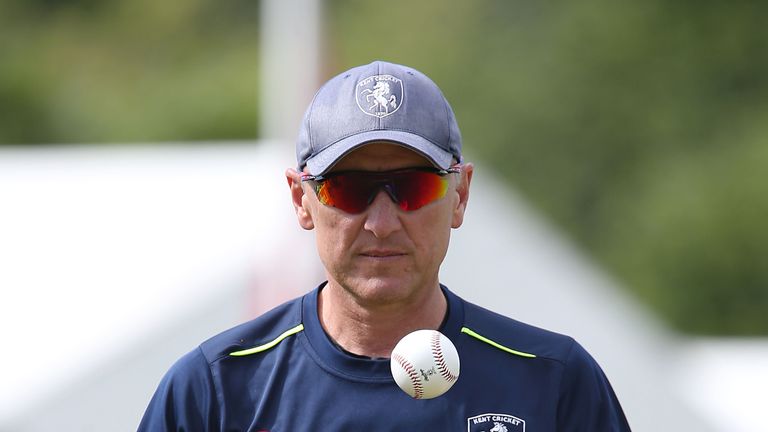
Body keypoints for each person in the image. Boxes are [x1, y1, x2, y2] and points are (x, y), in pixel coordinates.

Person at [139, 60, 630, 431]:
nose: (381, 222)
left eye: (413, 187)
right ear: (301, 200)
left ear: (459, 195)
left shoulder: (552, 382)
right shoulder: (214, 393)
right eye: (348, 188)